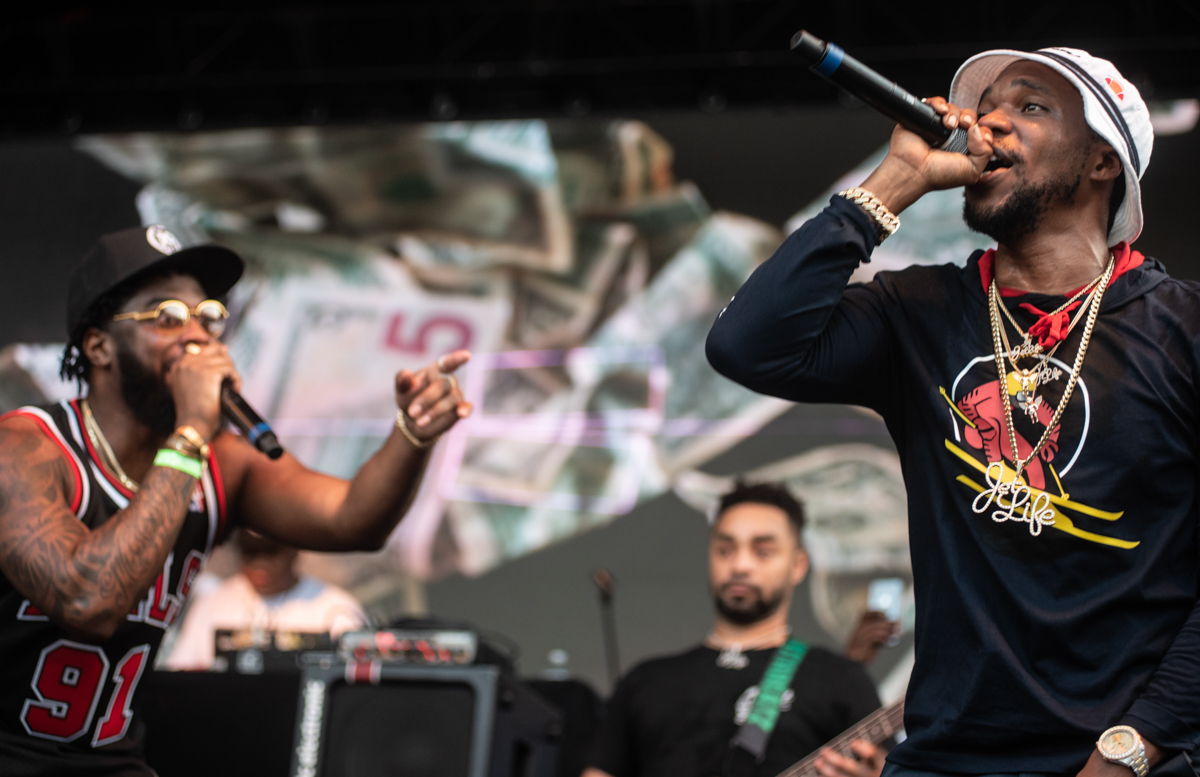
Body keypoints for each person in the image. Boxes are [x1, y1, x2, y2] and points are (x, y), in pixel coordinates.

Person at [707, 45, 1199, 776]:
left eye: (1030, 106)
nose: (991, 122)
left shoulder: (1182, 329)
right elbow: (748, 346)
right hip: (944, 757)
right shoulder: (920, 311)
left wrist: (1135, 745)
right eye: (989, 105)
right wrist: (897, 180)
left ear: (1101, 162)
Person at [0, 226, 470, 775]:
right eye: (166, 316)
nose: (197, 335)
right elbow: (89, 603)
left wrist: (412, 434)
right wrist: (191, 432)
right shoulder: (25, 449)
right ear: (99, 345)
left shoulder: (219, 462)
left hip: (108, 761)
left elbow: (353, 520)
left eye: (208, 316)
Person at [584, 481, 887, 777]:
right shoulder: (645, 680)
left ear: (798, 564)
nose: (740, 565)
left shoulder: (841, 679)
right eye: (725, 550)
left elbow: (885, 765)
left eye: (763, 551)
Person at [164, 529, 366, 671]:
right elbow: (183, 670)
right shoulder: (213, 602)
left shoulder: (335, 608)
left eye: (270, 552)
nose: (259, 562)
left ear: (294, 550)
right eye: (250, 552)